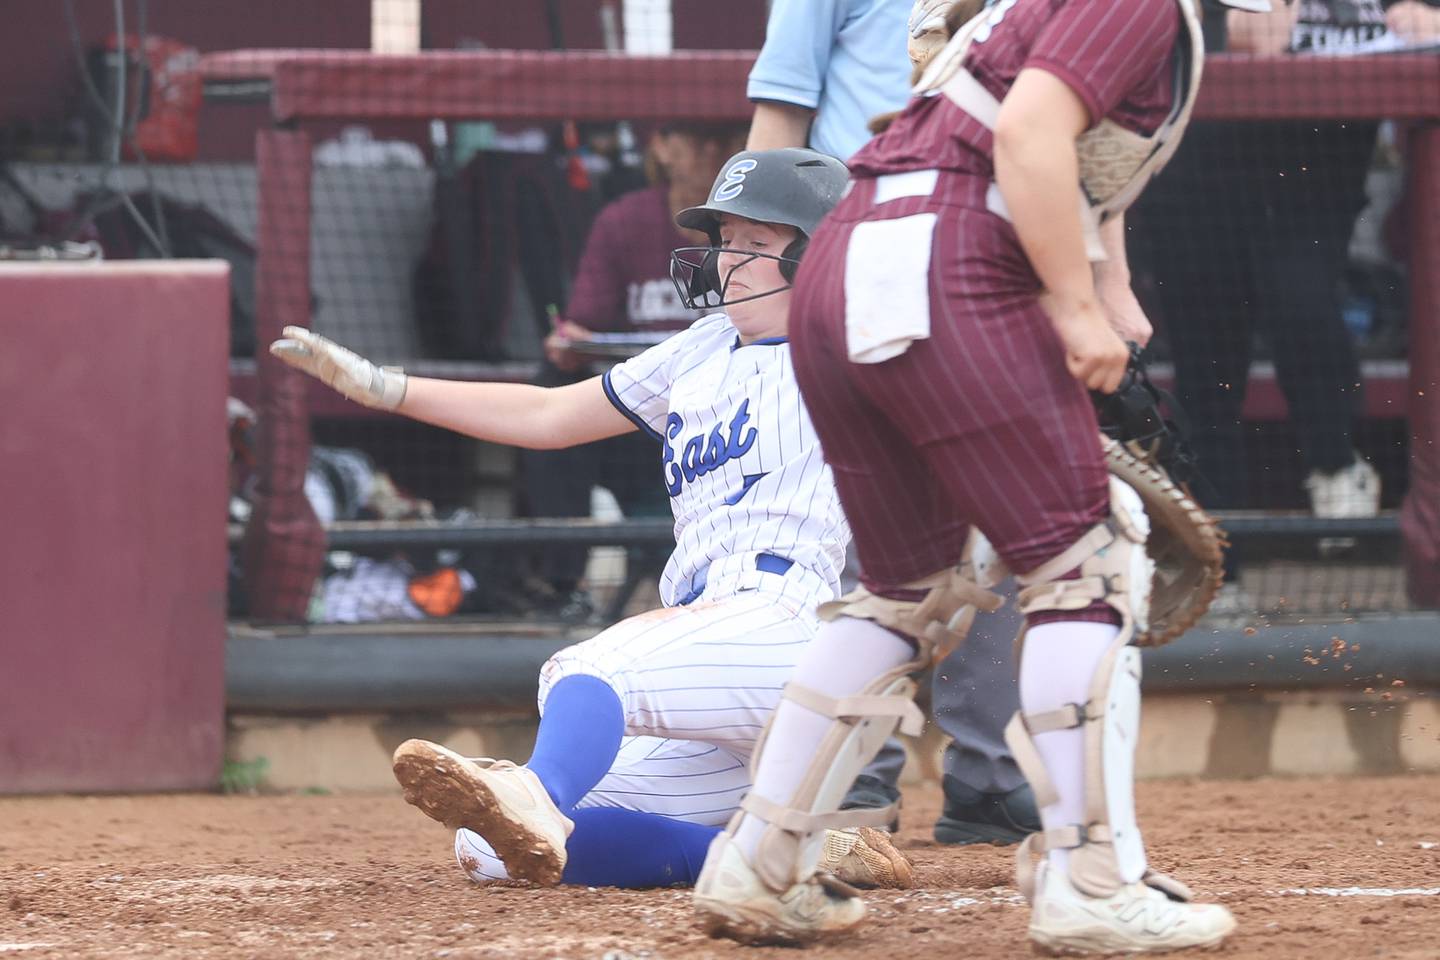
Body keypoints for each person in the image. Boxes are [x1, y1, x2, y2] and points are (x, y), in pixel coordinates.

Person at [693, 0, 1262, 951]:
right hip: (938, 259)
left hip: (842, 260)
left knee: (902, 593)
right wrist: (1076, 308)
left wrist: (1086, 289)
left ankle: (756, 861)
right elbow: (1031, 135)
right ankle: (1089, 879)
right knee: (1088, 565)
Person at [269, 148, 912, 892]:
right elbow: (548, 414)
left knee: (583, 668)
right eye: (725, 239)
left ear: (819, 258)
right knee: (487, 845)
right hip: (711, 637)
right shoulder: (703, 348)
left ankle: (537, 791)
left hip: (789, 627)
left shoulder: (846, 344)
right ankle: (776, 858)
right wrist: (390, 388)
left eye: (756, 244)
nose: (726, 260)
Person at [747, 0, 1041, 847]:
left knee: (1004, 510)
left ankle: (990, 775)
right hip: (859, 251)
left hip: (990, 250)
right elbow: (781, 114)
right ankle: (851, 780)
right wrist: (760, 263)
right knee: (859, 525)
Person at [1129, 0, 1439, 554]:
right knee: (1207, 347)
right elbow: (1247, 34)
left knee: (1299, 295)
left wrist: (1420, 13)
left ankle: (1335, 463)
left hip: (1315, 141)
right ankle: (1218, 553)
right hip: (1197, 146)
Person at [519, 123, 737, 620]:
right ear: (661, 146)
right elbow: (584, 321)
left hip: (728, 420)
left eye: (724, 142)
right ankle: (562, 585)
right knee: (552, 386)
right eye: (697, 140)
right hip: (640, 426)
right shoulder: (625, 220)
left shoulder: (757, 229)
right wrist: (570, 341)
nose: (710, 152)